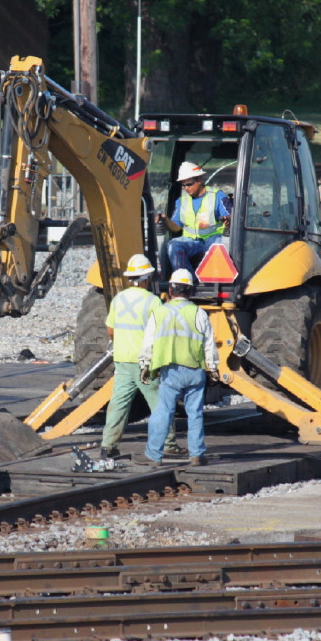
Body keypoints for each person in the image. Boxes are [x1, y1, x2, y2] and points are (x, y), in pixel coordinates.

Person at [136, 269, 220, 468]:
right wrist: (213, 367)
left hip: (171, 371)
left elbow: (148, 343)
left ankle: (154, 455)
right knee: (195, 413)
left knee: (164, 411)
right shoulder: (199, 313)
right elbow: (209, 343)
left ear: (171, 290)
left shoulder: (159, 313)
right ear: (190, 291)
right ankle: (197, 454)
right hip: (195, 370)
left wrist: (144, 365)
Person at [100, 254, 180, 459]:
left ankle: (108, 446)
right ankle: (168, 444)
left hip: (122, 360)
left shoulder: (118, 299)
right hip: (145, 363)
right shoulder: (153, 302)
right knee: (160, 403)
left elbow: (111, 330)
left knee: (119, 403)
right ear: (146, 278)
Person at [157, 161, 233, 277]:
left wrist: (229, 219)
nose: (186, 188)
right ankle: (187, 279)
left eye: (189, 184)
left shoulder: (217, 196)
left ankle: (215, 280)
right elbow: (176, 227)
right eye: (183, 185)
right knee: (173, 245)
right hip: (190, 241)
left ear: (199, 180)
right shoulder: (182, 201)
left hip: (213, 239)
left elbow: (231, 216)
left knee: (220, 244)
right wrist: (165, 219)